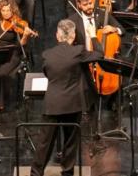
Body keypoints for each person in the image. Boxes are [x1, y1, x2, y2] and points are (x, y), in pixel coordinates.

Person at [29, 19, 101, 176]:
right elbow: (99, 54)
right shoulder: (79, 51)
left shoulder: (47, 54)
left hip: (53, 103)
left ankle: (35, 173)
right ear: (73, 35)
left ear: (57, 35)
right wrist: (93, 36)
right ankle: (67, 172)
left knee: (44, 142)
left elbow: (47, 74)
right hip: (73, 103)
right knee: (70, 140)